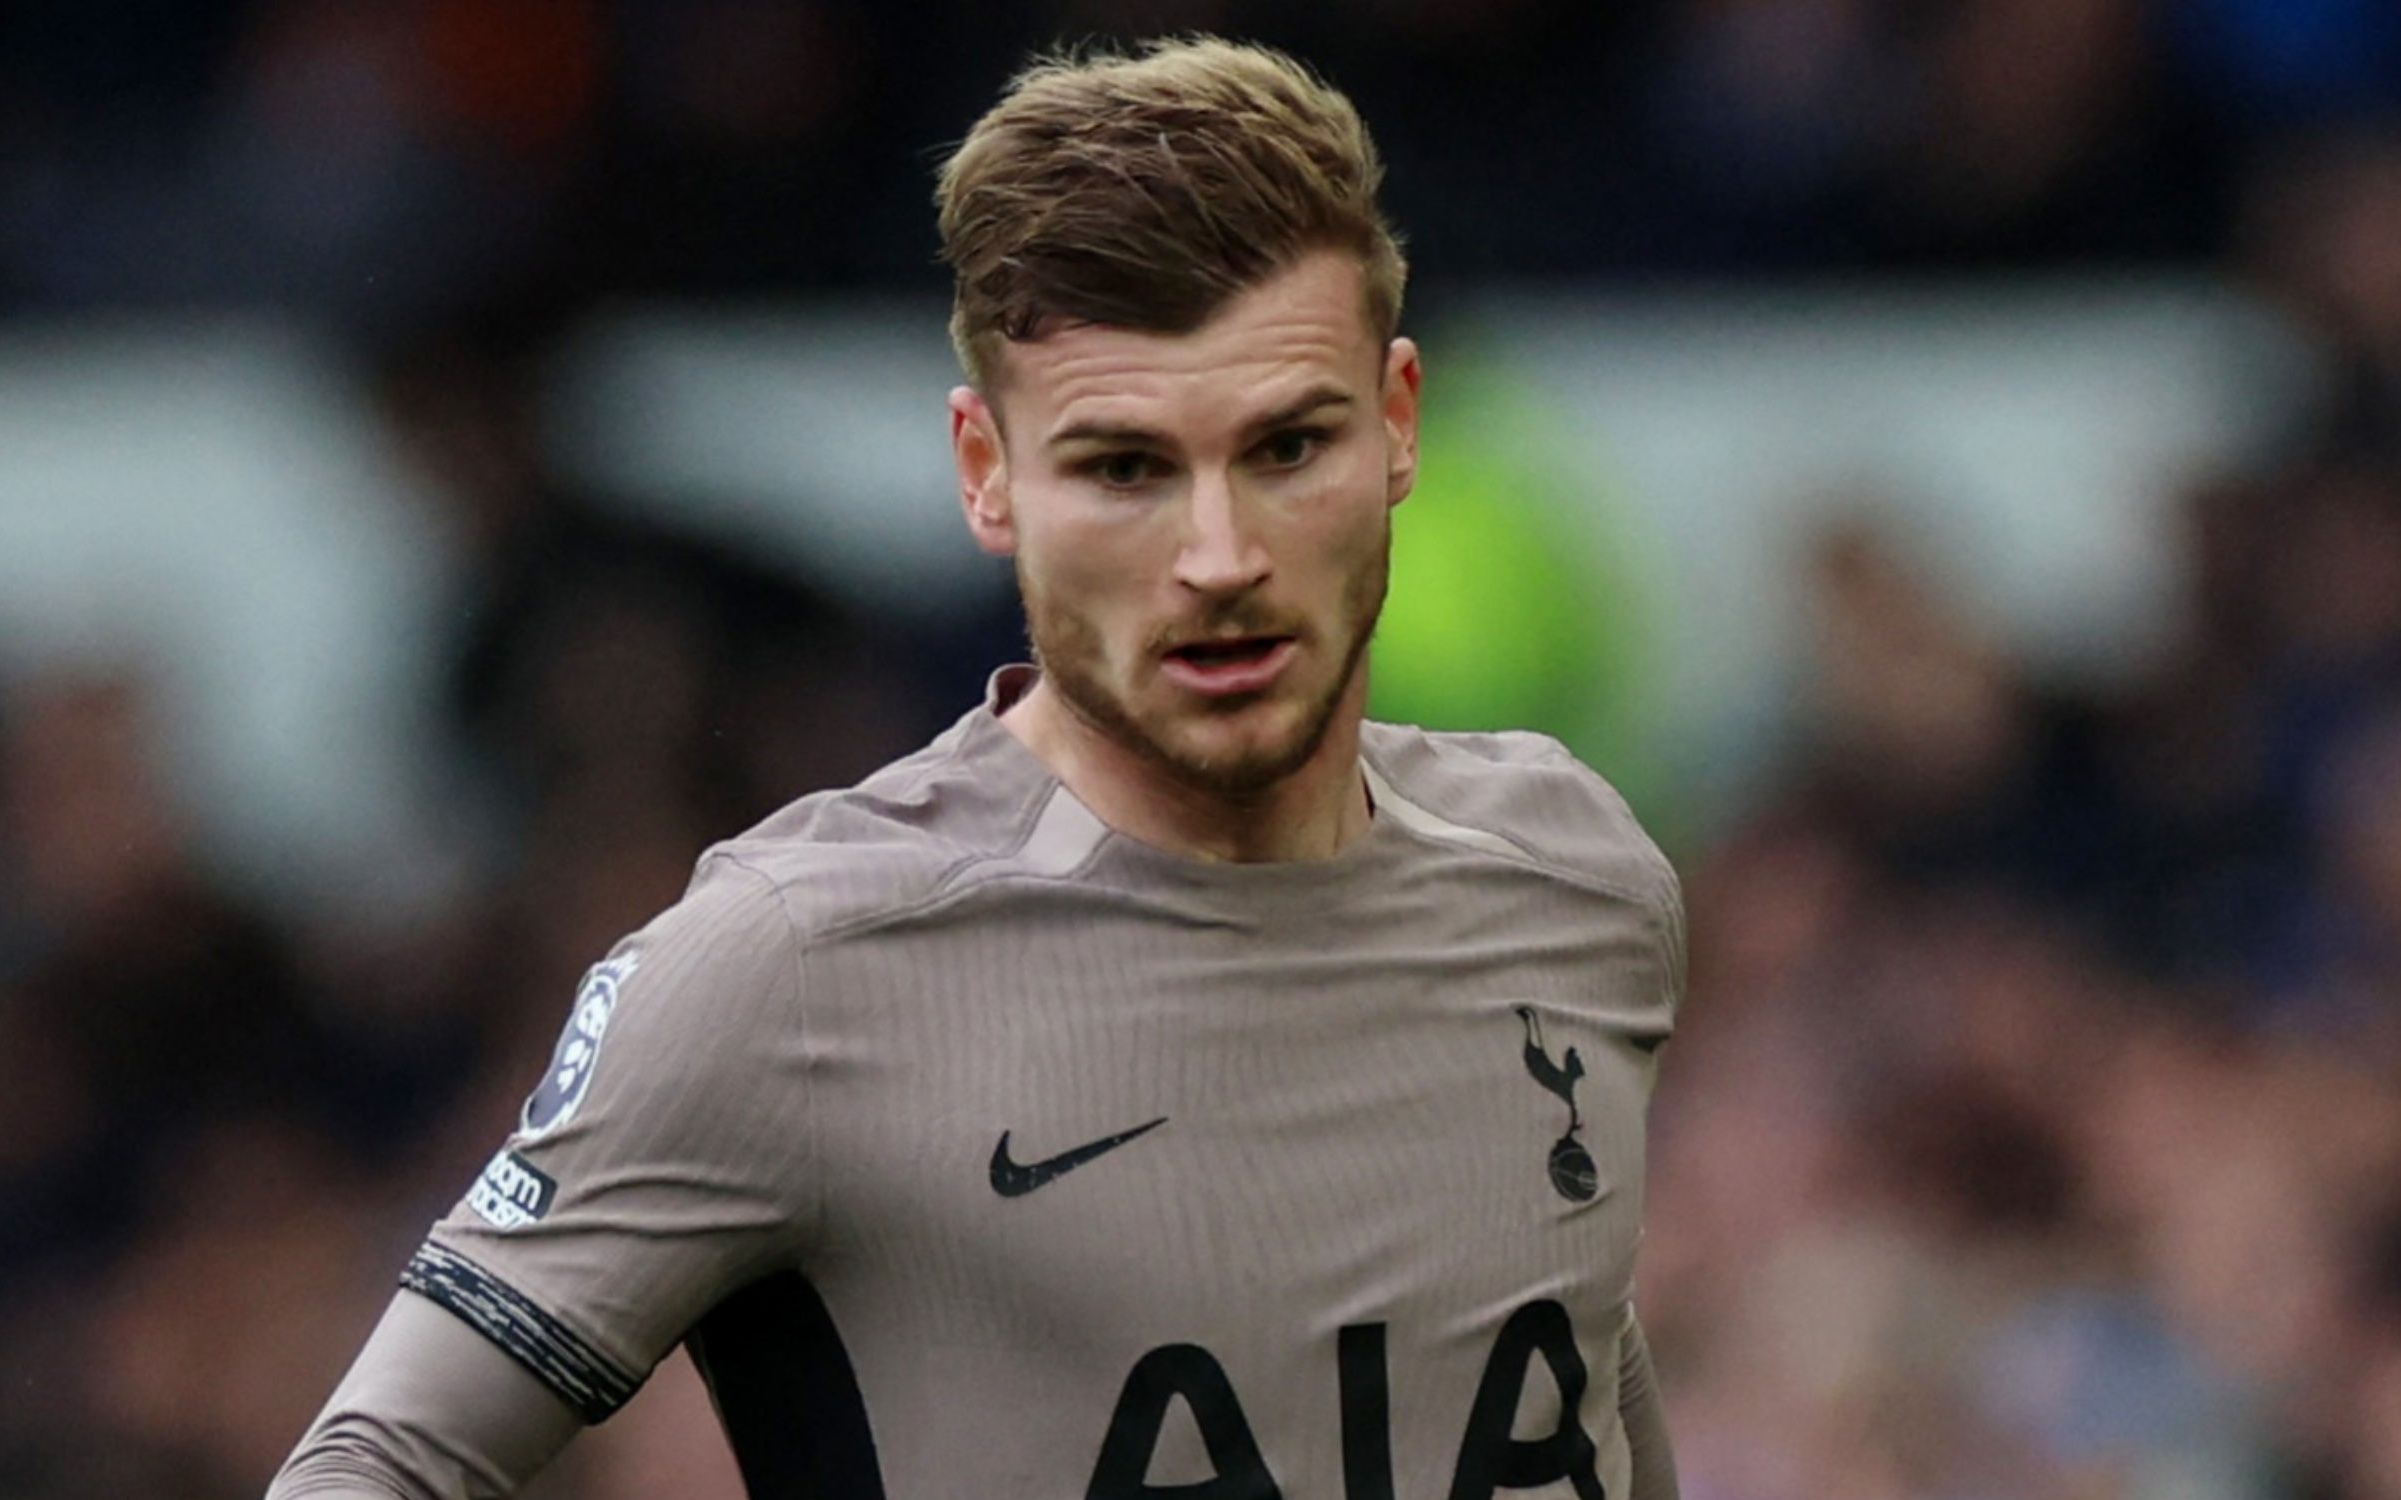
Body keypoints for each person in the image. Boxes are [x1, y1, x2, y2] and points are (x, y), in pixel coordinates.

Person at [270, 36, 1682, 1499]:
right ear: (987, 473)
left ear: (1397, 424)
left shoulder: (1577, 881)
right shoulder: (792, 966)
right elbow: (372, 1465)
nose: (1221, 560)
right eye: (1123, 468)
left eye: (1287, 447)